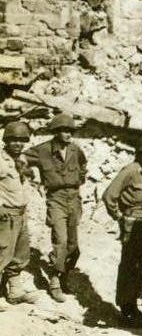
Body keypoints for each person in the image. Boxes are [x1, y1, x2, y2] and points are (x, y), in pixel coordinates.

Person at [103, 135, 142, 329]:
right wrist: (119, 217)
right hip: (132, 223)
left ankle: (132, 306)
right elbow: (109, 195)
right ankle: (127, 309)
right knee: (131, 264)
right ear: (138, 154)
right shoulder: (130, 170)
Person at [23, 113, 87, 303]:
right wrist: (28, 175)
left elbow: (83, 165)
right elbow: (21, 158)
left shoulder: (76, 150)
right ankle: (54, 282)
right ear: (56, 132)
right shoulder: (43, 150)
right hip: (56, 199)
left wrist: (80, 178)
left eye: (70, 130)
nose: (68, 134)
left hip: (74, 199)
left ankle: (64, 277)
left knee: (73, 246)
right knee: (61, 239)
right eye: (64, 130)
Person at [0, 121, 36, 306]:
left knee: (20, 254)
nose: (18, 144)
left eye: (22, 140)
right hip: (5, 214)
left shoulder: (21, 160)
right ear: (6, 141)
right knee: (2, 252)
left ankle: (15, 292)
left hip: (21, 213)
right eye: (14, 140)